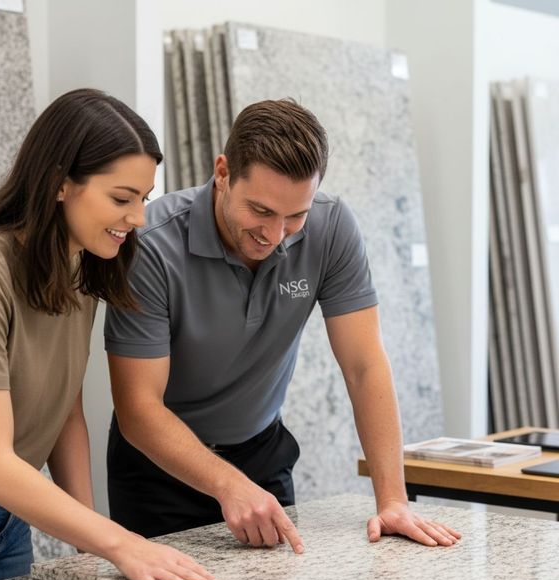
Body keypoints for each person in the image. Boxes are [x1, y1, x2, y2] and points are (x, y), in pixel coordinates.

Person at [104, 99, 461, 552]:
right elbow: (138, 408)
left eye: (295, 216)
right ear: (222, 173)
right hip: (158, 470)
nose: (274, 236)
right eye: (261, 211)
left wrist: (392, 501)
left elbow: (364, 366)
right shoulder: (150, 246)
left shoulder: (332, 228)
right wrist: (228, 486)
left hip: (261, 455)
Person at [0, 88, 219, 580]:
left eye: (143, 199)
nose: (139, 218)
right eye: (122, 199)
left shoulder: (79, 266)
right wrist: (121, 543)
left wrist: (87, 545)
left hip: (10, 513)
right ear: (60, 184)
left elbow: (64, 408)